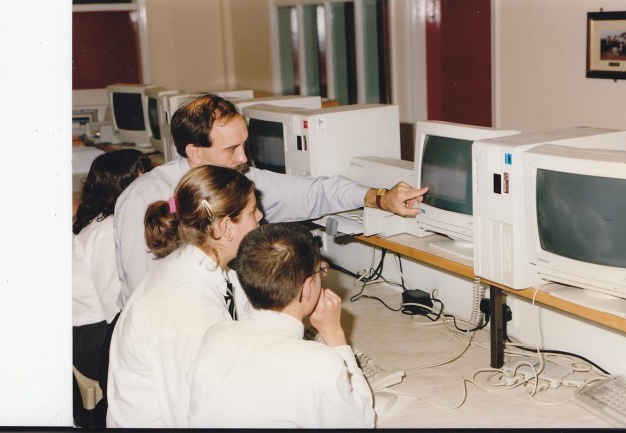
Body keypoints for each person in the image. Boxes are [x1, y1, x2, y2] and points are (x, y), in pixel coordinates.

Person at [113, 93, 428, 309]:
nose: (244, 158)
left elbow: (316, 192)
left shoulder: (241, 180)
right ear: (195, 152)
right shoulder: (143, 198)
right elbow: (142, 299)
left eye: (245, 145)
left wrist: (380, 198)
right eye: (232, 149)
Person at [106, 165, 263, 428]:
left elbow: (251, 322)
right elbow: (195, 416)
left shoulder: (207, 268)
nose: (260, 216)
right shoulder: (186, 310)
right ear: (225, 228)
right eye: (252, 211)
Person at [187, 223, 375, 428]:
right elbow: (361, 421)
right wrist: (335, 337)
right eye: (319, 271)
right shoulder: (322, 364)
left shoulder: (215, 336)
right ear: (307, 288)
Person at [72, 149, 152, 427]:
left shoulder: (107, 220)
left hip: (97, 329)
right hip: (94, 335)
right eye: (142, 181)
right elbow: (114, 309)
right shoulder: (108, 231)